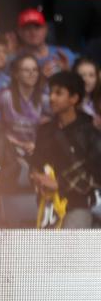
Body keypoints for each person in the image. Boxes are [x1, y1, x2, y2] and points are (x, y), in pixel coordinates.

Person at [30, 70, 101, 227]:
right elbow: (35, 163)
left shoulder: (90, 132)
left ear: (74, 99)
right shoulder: (45, 130)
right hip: (47, 204)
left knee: (70, 251)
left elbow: (97, 176)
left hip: (78, 205)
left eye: (58, 93)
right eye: (51, 93)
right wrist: (38, 178)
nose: (51, 98)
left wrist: (59, 184)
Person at [0, 51, 50, 159]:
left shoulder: (44, 100)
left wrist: (37, 145)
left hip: (38, 151)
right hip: (10, 151)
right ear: (16, 74)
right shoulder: (5, 97)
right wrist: (20, 144)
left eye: (35, 70)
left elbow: (52, 131)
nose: (32, 73)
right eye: (26, 70)